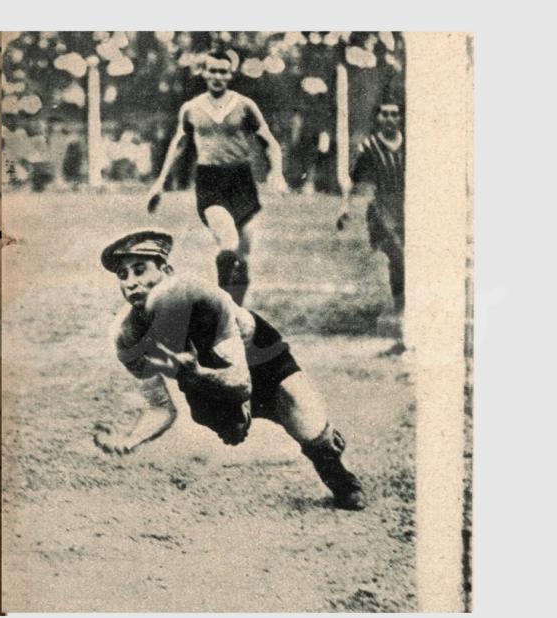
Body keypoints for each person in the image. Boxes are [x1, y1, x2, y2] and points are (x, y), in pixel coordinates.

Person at [93, 231, 367, 511]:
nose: (131, 283)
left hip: (258, 355)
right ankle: (241, 417)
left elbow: (241, 383)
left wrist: (199, 375)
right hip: (205, 376)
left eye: (140, 270)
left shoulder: (204, 300)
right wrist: (130, 439)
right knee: (231, 430)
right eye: (123, 276)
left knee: (310, 428)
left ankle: (340, 478)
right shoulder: (127, 335)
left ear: (167, 271)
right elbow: (160, 408)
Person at [146, 49, 288, 305]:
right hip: (210, 181)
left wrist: (277, 172)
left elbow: (270, 143)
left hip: (242, 180)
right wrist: (159, 183)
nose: (217, 76)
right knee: (228, 243)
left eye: (223, 71)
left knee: (242, 256)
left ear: (231, 74)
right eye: (212, 70)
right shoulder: (191, 108)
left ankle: (236, 311)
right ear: (203, 72)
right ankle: (223, 309)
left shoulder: (245, 105)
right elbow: (179, 143)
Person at [338, 101, 405, 334]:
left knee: (407, 255)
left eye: (394, 114)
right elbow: (354, 181)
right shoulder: (369, 147)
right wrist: (345, 208)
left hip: (408, 205)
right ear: (378, 118)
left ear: (400, 118)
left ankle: (407, 303)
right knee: (397, 254)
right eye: (385, 114)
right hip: (382, 208)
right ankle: (401, 306)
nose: (389, 119)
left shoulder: (411, 144)